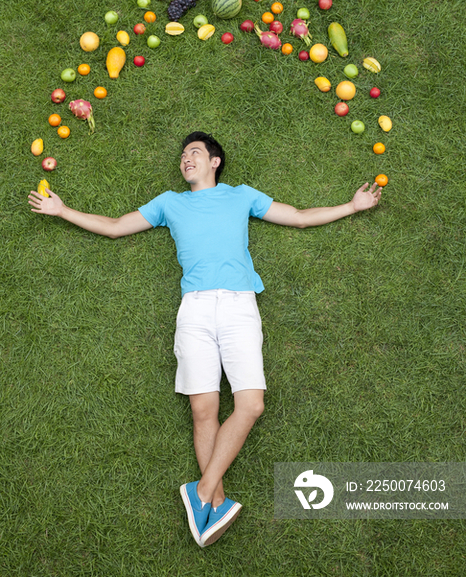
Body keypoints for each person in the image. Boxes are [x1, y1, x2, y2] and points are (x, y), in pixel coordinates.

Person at [27, 130, 382, 547]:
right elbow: (115, 227)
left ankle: (200, 491)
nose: (185, 160)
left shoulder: (241, 195)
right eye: (182, 156)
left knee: (251, 404)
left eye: (194, 153)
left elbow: (300, 216)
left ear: (215, 162)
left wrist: (352, 206)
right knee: (204, 409)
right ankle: (214, 500)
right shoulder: (169, 203)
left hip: (238, 305)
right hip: (194, 309)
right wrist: (64, 211)